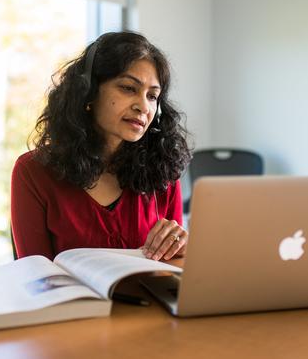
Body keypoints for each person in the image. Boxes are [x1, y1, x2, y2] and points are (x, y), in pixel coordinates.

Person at [11, 31, 191, 262]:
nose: (143, 107)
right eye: (128, 88)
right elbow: (34, 275)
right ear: (89, 91)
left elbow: (170, 271)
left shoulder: (163, 172)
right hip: (68, 299)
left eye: (153, 96)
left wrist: (180, 247)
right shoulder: (33, 171)